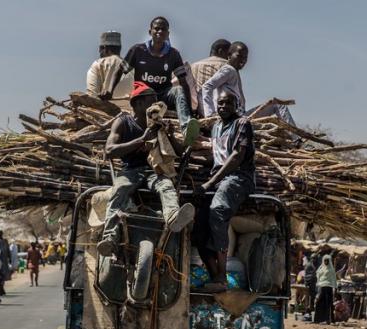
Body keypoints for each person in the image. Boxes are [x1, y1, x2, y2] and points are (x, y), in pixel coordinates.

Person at [96, 81, 196, 258]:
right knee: (119, 191)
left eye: (157, 101)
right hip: (130, 170)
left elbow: (179, 154)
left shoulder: (159, 124)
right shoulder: (123, 122)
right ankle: (110, 237)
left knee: (166, 186)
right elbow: (110, 150)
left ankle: (173, 217)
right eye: (151, 101)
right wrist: (141, 140)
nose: (156, 105)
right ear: (137, 104)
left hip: (154, 171)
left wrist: (170, 134)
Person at [195, 91, 255, 293]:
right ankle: (213, 275)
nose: (223, 106)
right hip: (219, 180)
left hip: (239, 177)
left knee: (218, 209)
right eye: (220, 103)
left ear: (236, 104)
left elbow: (237, 156)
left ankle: (222, 275)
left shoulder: (242, 124)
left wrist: (210, 182)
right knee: (199, 228)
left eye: (228, 103)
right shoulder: (216, 127)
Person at [117, 16, 199, 145]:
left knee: (177, 89)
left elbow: (184, 82)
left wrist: (190, 109)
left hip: (162, 95)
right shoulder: (137, 50)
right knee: (146, 93)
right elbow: (120, 71)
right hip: (144, 96)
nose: (159, 32)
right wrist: (108, 91)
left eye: (163, 29)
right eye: (156, 29)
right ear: (150, 32)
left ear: (168, 34)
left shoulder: (173, 54)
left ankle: (186, 127)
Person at [201, 42, 248, 118]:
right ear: (229, 56)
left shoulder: (234, 72)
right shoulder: (229, 69)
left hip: (239, 115)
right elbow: (207, 86)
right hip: (229, 115)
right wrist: (210, 113)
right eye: (239, 56)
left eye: (245, 57)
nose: (243, 60)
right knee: (274, 107)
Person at [190, 39, 230, 115]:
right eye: (229, 54)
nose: (229, 58)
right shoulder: (228, 66)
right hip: (222, 111)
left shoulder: (194, 66)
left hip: (199, 111)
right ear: (221, 51)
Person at [86, 31, 125, 99]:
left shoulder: (98, 64)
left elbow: (92, 95)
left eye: (100, 49)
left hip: (109, 108)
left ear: (105, 48)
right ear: (120, 48)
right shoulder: (131, 65)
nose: (99, 52)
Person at [314, 254, 337, 324]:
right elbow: (318, 275)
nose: (326, 262)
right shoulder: (321, 268)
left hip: (328, 287)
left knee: (328, 304)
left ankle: (328, 320)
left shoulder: (331, 270)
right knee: (319, 303)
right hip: (321, 287)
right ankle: (318, 319)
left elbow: (334, 279)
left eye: (327, 261)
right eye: (325, 261)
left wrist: (335, 288)